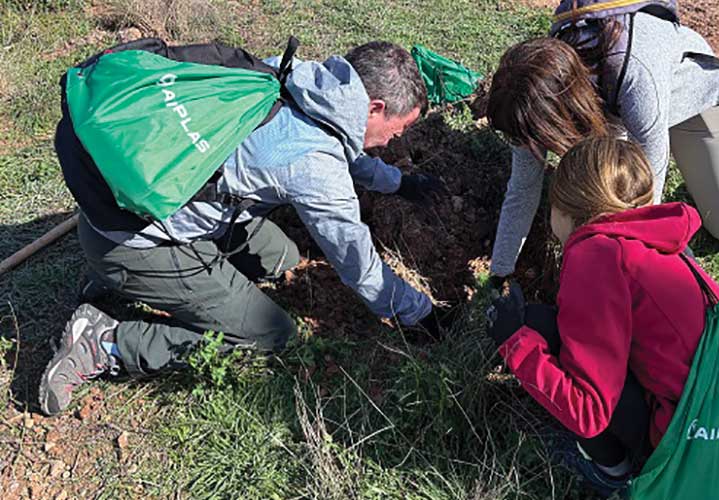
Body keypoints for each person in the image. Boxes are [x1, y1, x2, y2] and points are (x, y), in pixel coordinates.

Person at [39, 41, 447, 416]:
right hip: (133, 242)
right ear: (374, 107)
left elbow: (338, 144)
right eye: (402, 126)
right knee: (271, 336)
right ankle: (102, 342)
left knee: (282, 257)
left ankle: (122, 280)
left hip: (133, 206)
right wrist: (420, 314)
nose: (397, 138)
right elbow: (359, 266)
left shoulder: (294, 78)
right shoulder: (313, 169)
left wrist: (397, 182)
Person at [486, 137, 719, 496]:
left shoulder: (595, 256)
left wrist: (514, 342)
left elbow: (590, 410)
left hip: (685, 440)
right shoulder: (652, 240)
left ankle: (611, 469)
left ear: (565, 209)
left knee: (536, 325)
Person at [486, 5, 719, 281]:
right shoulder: (528, 94)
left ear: (558, 114)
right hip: (611, 106)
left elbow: (645, 196)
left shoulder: (633, 72)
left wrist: (619, 273)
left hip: (691, 100)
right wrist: (501, 273)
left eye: (543, 138)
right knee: (598, 192)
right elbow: (523, 188)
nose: (539, 149)